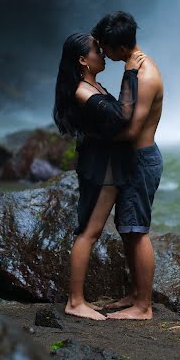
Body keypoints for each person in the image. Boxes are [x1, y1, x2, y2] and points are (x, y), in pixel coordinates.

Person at [53, 32, 146, 320]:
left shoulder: (92, 84)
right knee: (89, 233)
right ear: (82, 60)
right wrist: (130, 73)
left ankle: (82, 299)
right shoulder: (82, 90)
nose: (102, 54)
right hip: (100, 168)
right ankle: (75, 302)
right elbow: (120, 116)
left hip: (106, 163)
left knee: (91, 231)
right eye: (96, 50)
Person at [91, 11, 164, 320]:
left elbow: (132, 128)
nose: (101, 53)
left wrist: (98, 136)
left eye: (104, 47)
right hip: (133, 159)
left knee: (137, 231)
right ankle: (135, 294)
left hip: (140, 158)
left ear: (120, 48)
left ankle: (143, 307)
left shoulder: (144, 76)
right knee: (128, 230)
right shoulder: (134, 68)